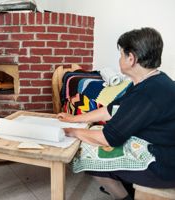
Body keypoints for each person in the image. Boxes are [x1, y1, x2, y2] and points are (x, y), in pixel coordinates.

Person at [57, 27, 175, 200]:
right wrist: (74, 118)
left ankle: (125, 197)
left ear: (131, 58)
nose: (120, 59)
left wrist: (71, 131)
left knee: (85, 155)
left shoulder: (148, 92)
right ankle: (127, 189)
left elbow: (109, 138)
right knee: (92, 136)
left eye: (121, 54)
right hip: (161, 148)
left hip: (163, 164)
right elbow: (111, 109)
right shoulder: (152, 80)